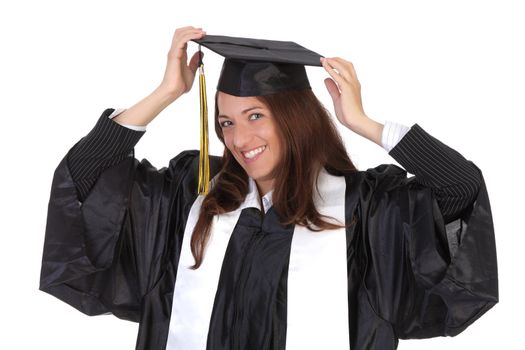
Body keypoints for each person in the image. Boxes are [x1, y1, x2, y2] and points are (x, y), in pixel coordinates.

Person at [39, 26, 498, 350]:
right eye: (226, 122)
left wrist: (365, 123)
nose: (239, 139)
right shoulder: (190, 196)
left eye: (256, 116)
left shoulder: (365, 210)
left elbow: (461, 189)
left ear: (295, 116)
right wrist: (165, 92)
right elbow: (84, 176)